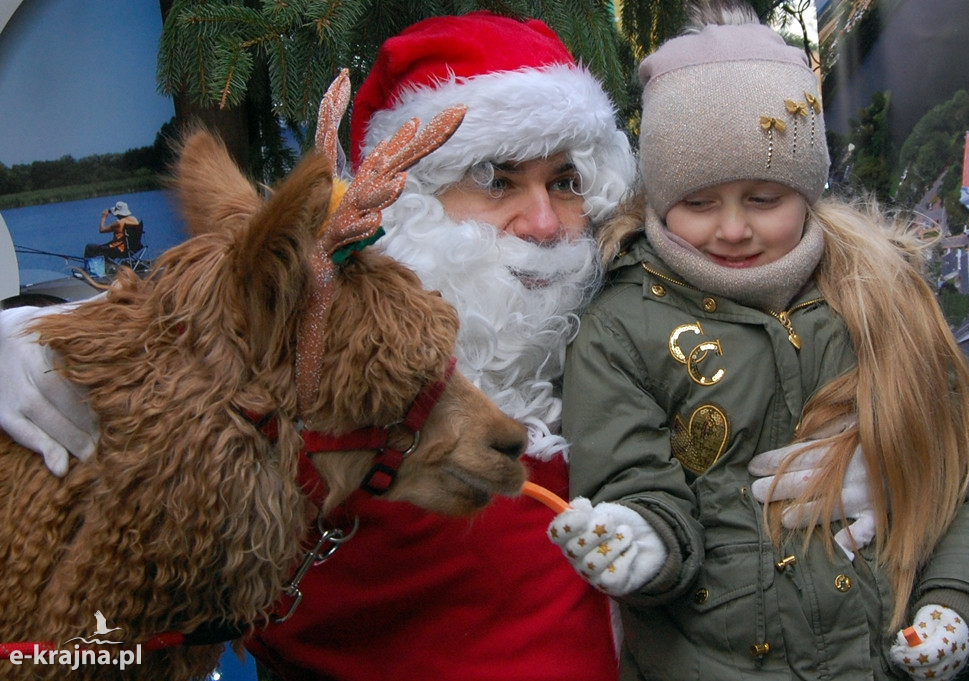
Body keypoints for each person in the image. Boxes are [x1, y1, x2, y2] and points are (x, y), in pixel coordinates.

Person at [0, 12, 635, 681]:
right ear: (413, 205)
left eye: (565, 183)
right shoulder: (308, 362)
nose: (542, 224)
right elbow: (189, 341)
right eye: (496, 179)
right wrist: (26, 335)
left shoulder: (627, 323)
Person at [547, 3, 969, 681]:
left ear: (806, 188)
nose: (733, 229)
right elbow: (633, 478)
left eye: (764, 197)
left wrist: (955, 600)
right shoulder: (623, 325)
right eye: (700, 201)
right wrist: (640, 541)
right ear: (658, 196)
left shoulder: (883, 295)